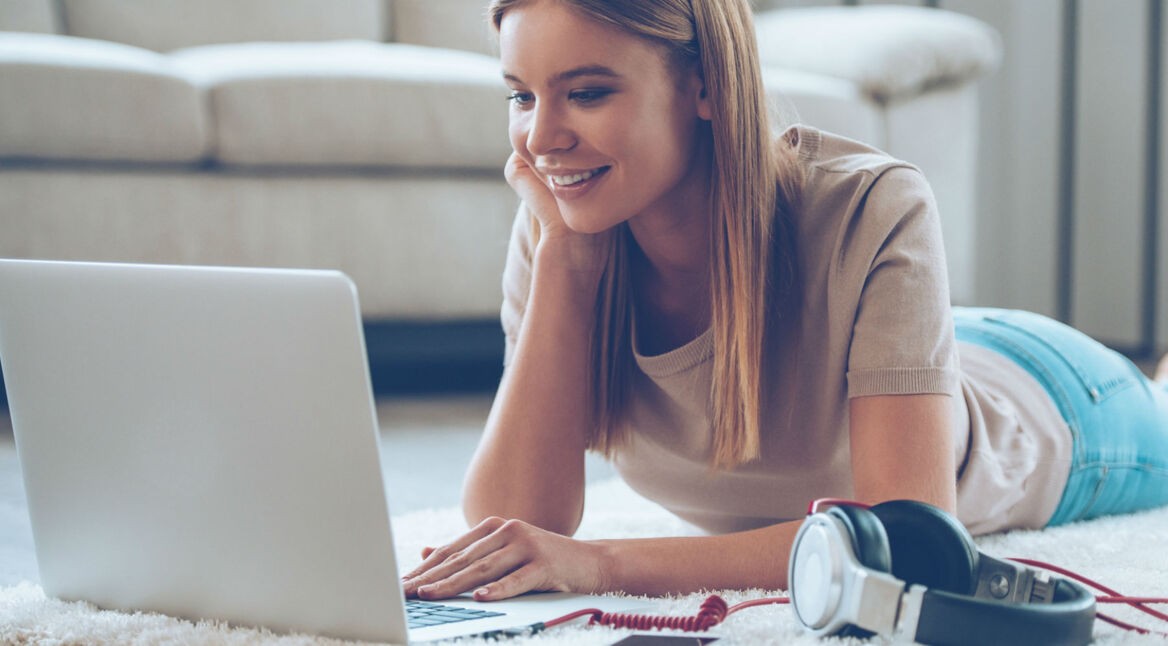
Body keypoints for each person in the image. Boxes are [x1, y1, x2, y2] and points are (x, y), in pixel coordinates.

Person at [400, 0, 1168, 602]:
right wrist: (568, 259)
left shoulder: (872, 206)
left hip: (1055, 401)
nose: (540, 139)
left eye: (587, 93)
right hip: (928, 358)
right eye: (521, 97)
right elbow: (513, 520)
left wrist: (601, 564)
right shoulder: (562, 221)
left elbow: (906, 538)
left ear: (705, 83)